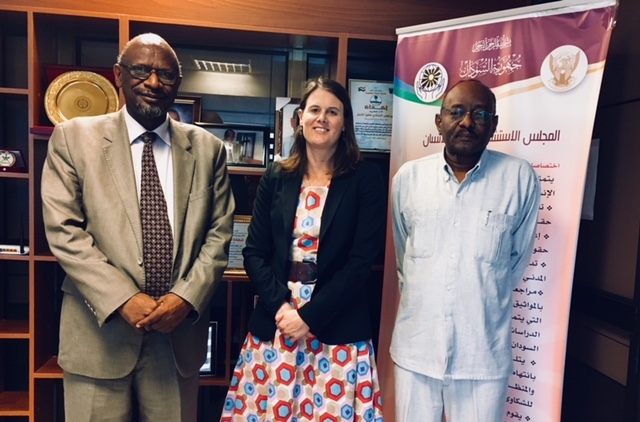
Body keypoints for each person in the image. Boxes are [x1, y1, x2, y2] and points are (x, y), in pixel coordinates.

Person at [41, 33, 235, 421]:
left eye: (165, 75)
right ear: (118, 75)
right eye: (141, 71)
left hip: (176, 339)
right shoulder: (74, 138)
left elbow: (219, 235)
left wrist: (185, 298)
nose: (153, 82)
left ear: (177, 85)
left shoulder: (208, 149)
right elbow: (64, 230)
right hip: (100, 334)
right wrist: (123, 299)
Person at [221, 77, 386, 421]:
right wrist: (284, 309)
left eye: (332, 112)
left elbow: (361, 262)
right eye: (314, 109)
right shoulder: (277, 175)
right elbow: (254, 252)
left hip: (337, 325)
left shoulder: (365, 179)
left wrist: (308, 318)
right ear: (299, 119)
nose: (322, 118)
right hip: (278, 322)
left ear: (344, 124)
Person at [390, 79, 541, 421]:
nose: (467, 122)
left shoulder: (519, 179)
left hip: (482, 354)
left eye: (480, 113)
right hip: (417, 350)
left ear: (494, 124)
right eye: (456, 112)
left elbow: (515, 261)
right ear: (439, 121)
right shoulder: (408, 179)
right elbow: (405, 258)